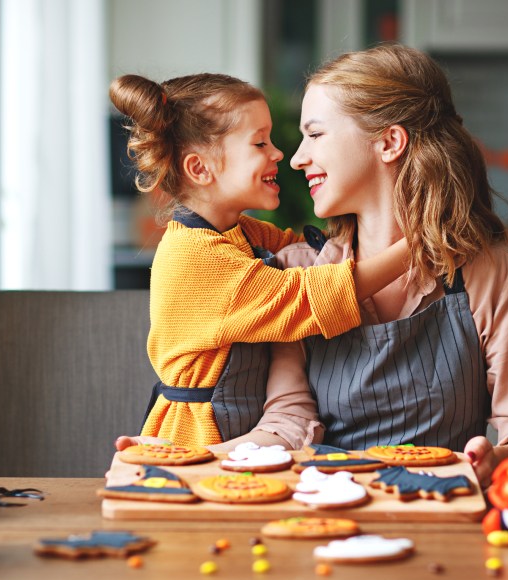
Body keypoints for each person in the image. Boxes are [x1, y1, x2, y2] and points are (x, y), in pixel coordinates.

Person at [268, 43, 508, 487]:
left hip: (446, 514)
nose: (297, 158)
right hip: (324, 514)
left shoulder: (495, 275)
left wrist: (497, 460)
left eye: (314, 135)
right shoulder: (296, 274)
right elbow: (287, 422)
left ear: (389, 141)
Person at [108, 73, 408, 449]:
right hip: (197, 442)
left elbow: (313, 255)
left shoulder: (241, 233)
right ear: (200, 168)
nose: (279, 153)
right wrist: (416, 247)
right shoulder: (195, 260)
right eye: (259, 143)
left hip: (242, 435)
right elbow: (309, 295)